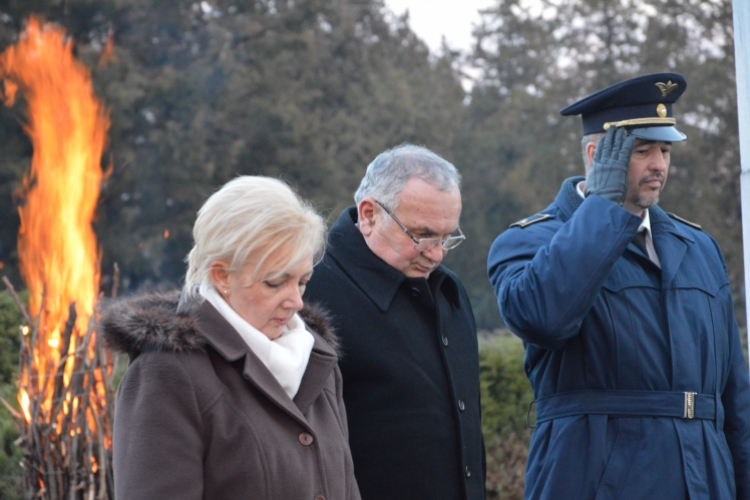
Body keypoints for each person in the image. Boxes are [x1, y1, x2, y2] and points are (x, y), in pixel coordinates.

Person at [487, 72, 750, 499]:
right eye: (642, 150)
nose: (659, 165)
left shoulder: (698, 247)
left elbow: (733, 397)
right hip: (597, 481)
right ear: (596, 155)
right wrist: (602, 208)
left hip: (704, 478)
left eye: (665, 150)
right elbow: (542, 318)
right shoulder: (530, 240)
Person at [101, 176, 361, 500]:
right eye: (275, 283)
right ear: (222, 276)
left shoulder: (317, 360)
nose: (296, 301)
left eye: (302, 281)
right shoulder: (167, 374)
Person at [304, 144, 486, 500]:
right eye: (422, 235)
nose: (436, 254)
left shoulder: (450, 290)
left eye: (447, 237)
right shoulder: (310, 289)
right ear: (369, 215)